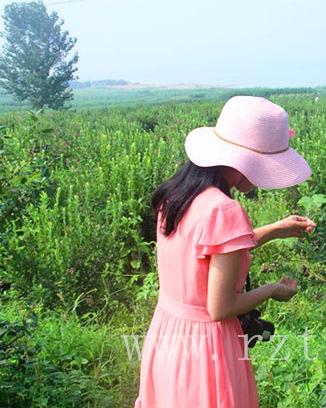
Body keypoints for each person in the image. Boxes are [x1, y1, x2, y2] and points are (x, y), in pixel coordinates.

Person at [135, 96, 316, 408]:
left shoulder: (177, 195)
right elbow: (220, 307)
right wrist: (272, 290)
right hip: (207, 349)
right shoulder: (224, 210)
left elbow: (207, 254)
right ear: (244, 163)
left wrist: (275, 229)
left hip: (168, 334)